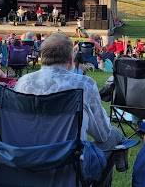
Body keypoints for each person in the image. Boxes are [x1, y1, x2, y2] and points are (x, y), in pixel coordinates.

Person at [15, 33, 125, 180]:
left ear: (42, 58)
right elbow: (102, 133)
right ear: (70, 60)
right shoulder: (84, 84)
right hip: (70, 163)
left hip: (28, 157)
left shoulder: (23, 82)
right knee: (114, 135)